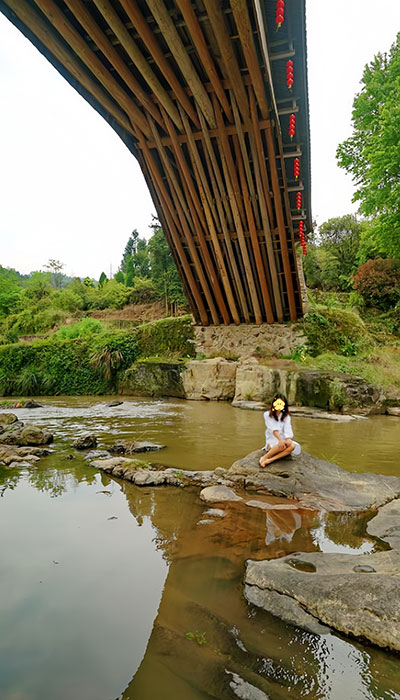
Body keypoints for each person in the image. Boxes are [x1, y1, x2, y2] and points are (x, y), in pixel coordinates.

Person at [259, 393, 301, 468]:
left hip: (283, 439)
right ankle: (265, 457)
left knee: (292, 446)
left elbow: (288, 427)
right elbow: (273, 429)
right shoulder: (267, 414)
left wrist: (288, 439)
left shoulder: (286, 416)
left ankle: (270, 460)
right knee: (282, 445)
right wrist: (280, 440)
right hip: (273, 439)